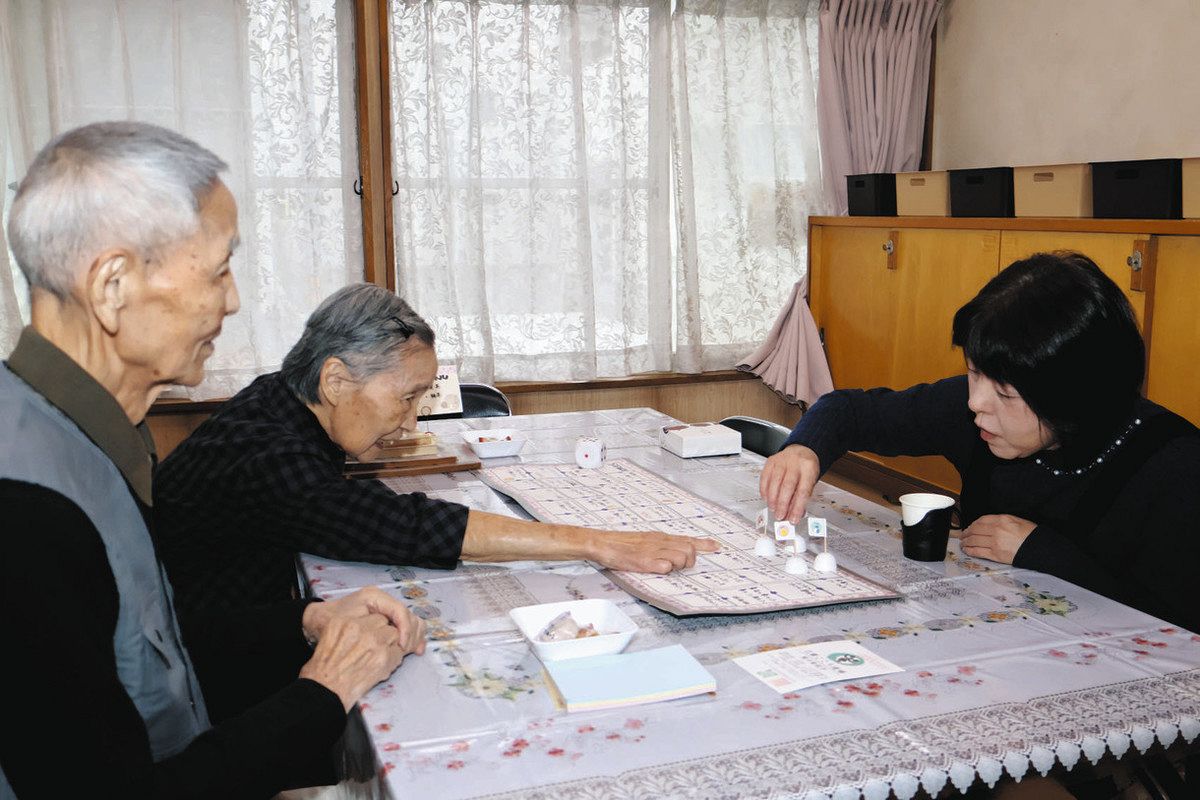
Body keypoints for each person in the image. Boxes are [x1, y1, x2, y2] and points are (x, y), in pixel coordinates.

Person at [0, 121, 428, 798]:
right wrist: (326, 690)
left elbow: (146, 645)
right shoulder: (26, 507)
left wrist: (303, 621)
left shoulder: (89, 431)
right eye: (220, 268)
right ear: (111, 286)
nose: (232, 300)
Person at [153, 283, 717, 625]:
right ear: (335, 380)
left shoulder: (274, 398)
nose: (410, 419)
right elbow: (404, 525)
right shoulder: (270, 457)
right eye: (405, 397)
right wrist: (599, 543)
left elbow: (345, 504)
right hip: (199, 676)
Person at [760, 252, 1200, 632]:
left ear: (1073, 398)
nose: (976, 402)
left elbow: (1178, 623)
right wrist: (805, 448)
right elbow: (850, 411)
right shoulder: (976, 412)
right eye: (973, 372)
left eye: (1005, 393)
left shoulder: (1175, 467)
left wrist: (1042, 553)